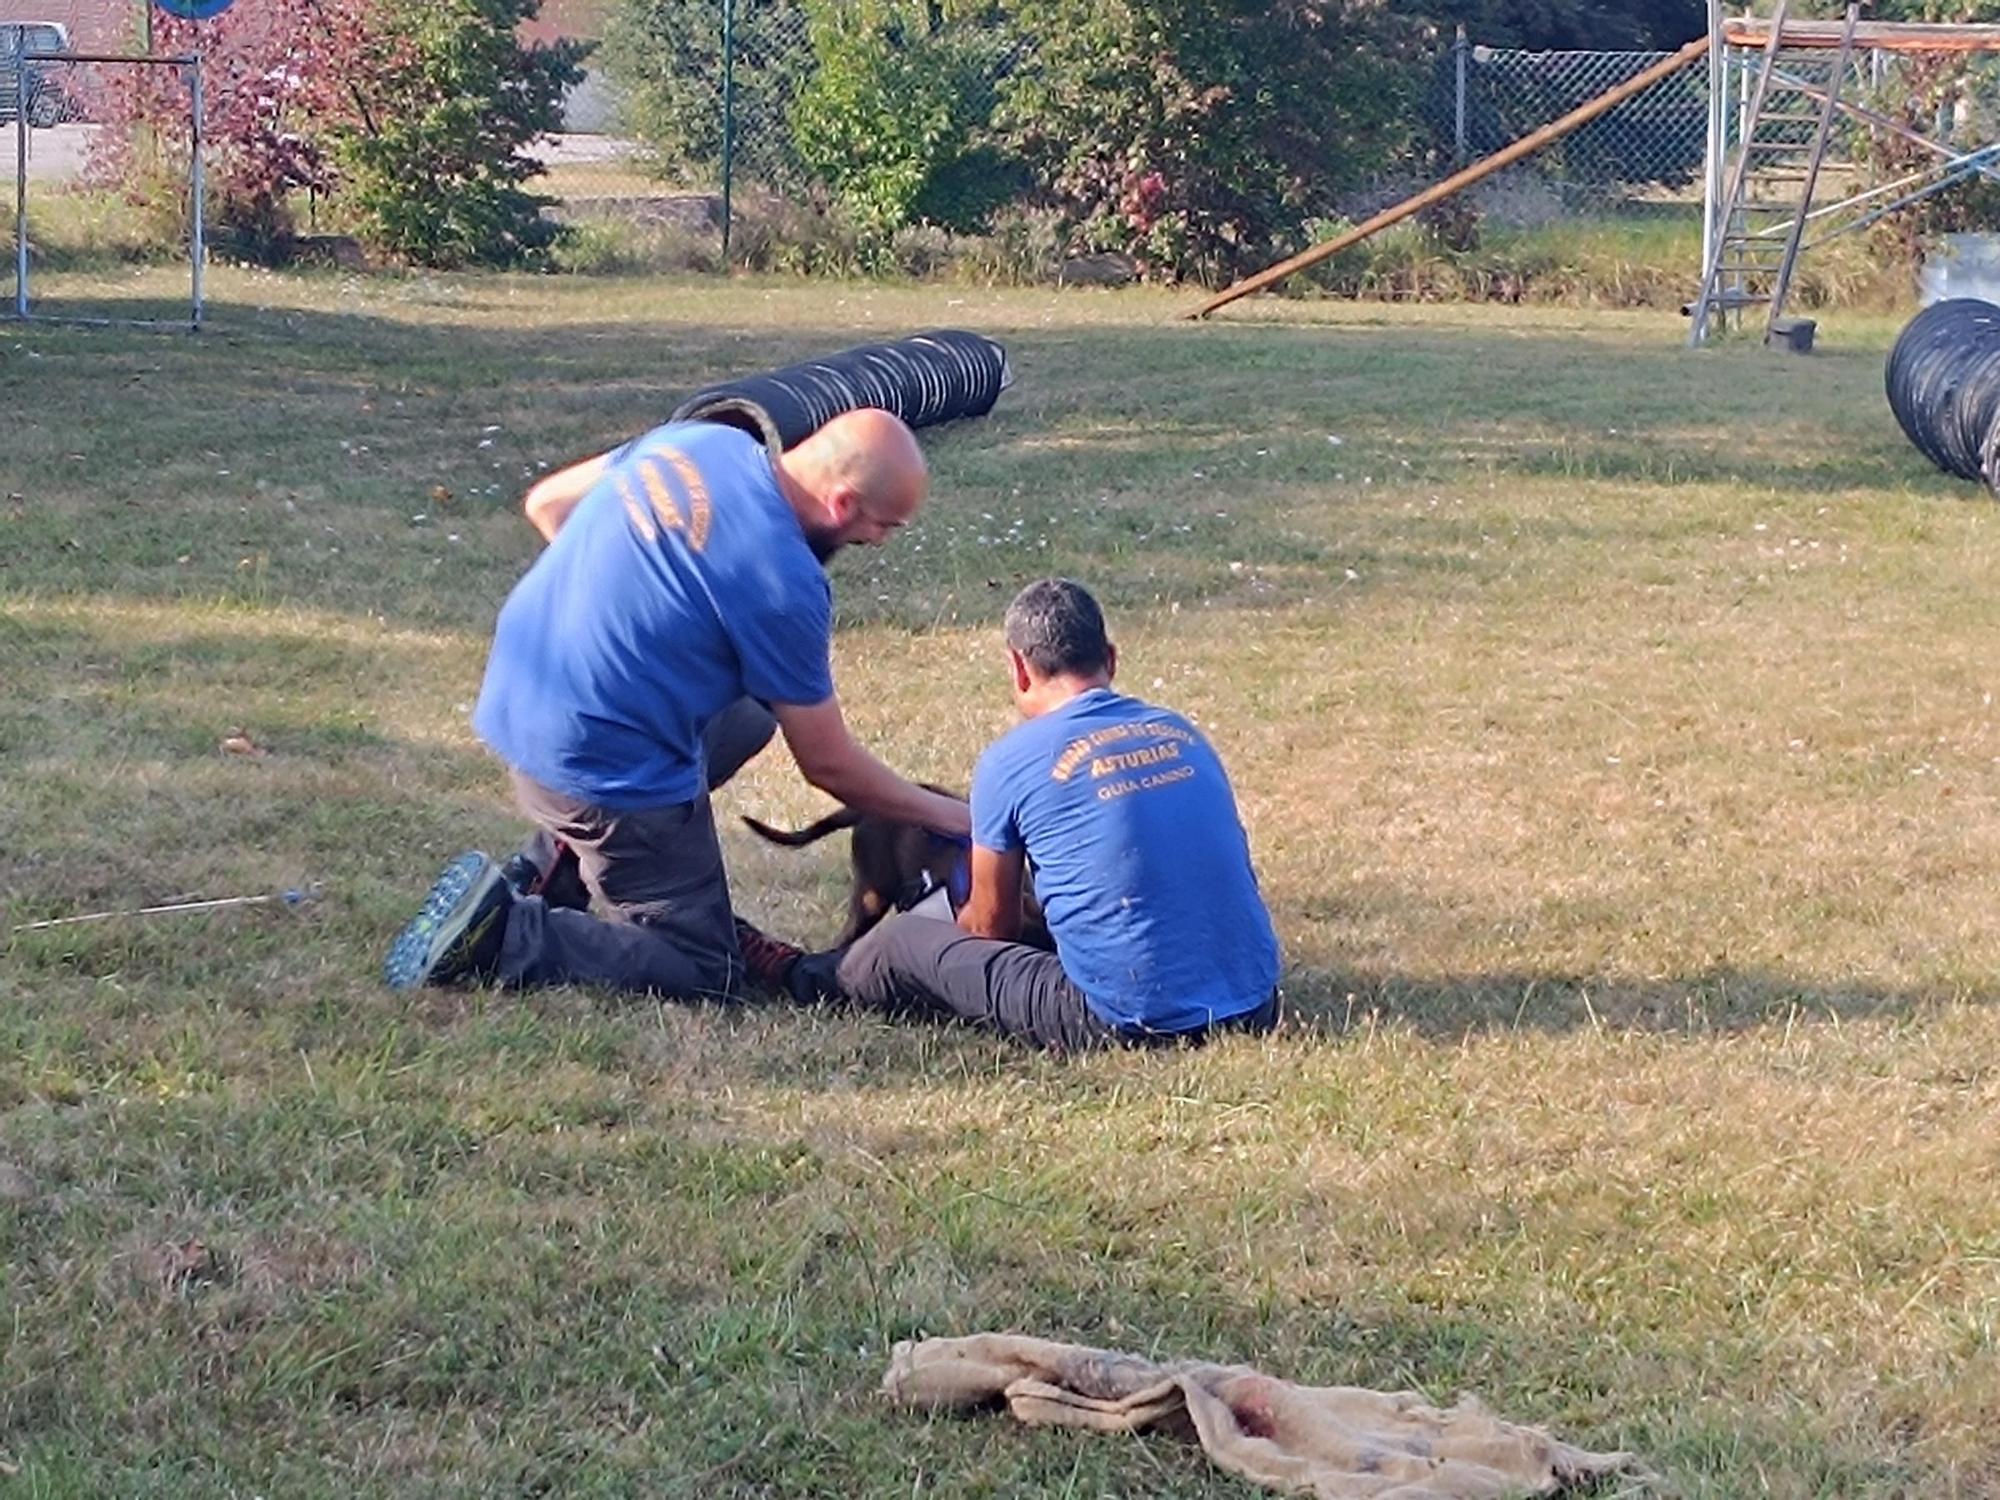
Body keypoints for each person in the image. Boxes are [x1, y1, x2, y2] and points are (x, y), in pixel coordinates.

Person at [382, 407, 970, 998]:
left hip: (520, 696)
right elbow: (828, 764)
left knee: (751, 717)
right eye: (884, 526)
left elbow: (548, 503)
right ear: (842, 504)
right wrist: (960, 818)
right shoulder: (784, 582)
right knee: (703, 968)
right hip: (594, 765)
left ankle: (550, 866)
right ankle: (505, 932)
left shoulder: (705, 442)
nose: (879, 541)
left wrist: (633, 602)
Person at [740, 578, 1282, 1050]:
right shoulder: (1181, 732)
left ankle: (796, 973)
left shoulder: (1012, 761)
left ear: (1019, 669)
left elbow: (990, 928)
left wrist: (945, 917)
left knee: (901, 942)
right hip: (1256, 1004)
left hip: (1124, 1020)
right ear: (1111, 660)